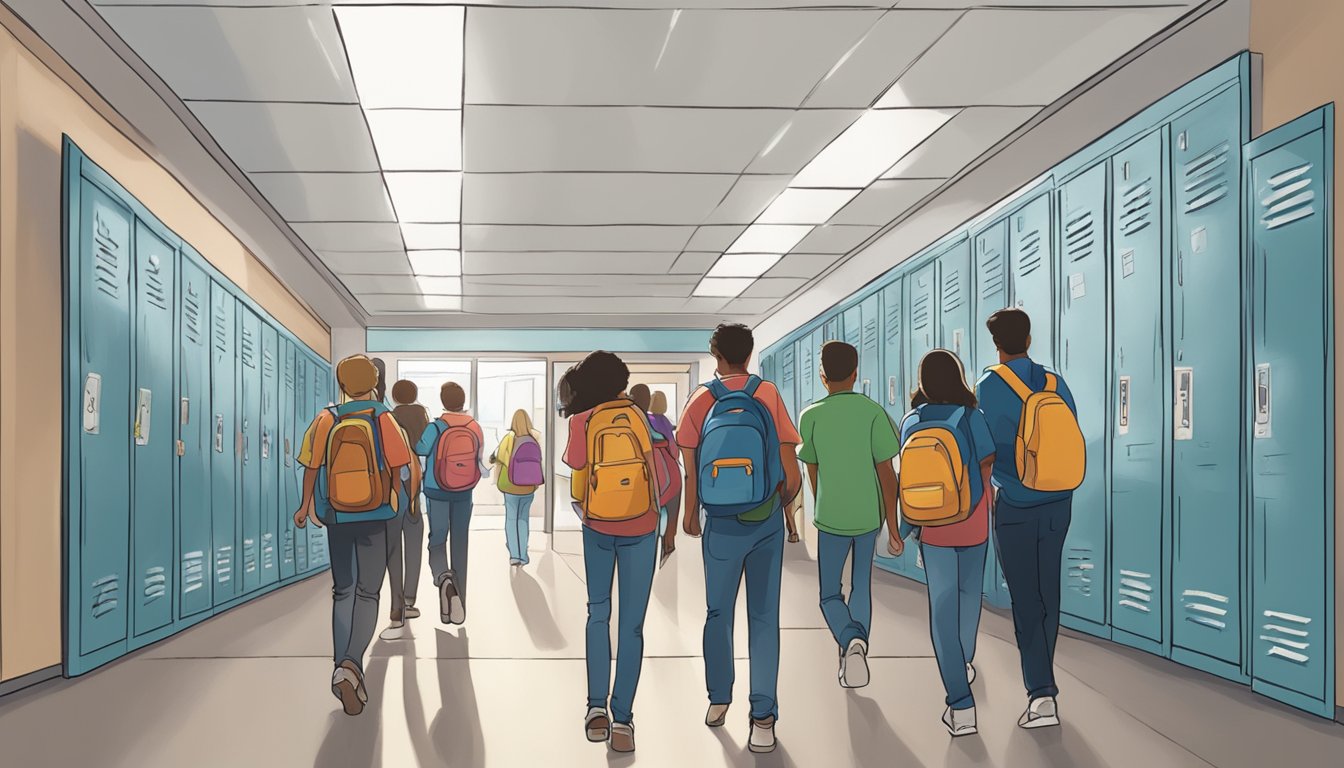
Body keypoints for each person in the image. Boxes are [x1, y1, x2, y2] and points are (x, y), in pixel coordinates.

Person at [678, 323, 802, 755]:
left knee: (718, 613)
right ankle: (763, 717)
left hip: (720, 525)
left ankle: (718, 698)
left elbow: (691, 466)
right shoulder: (766, 395)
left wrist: (691, 511)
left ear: (716, 356)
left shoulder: (700, 399)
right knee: (764, 617)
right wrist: (776, 499)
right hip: (764, 521)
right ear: (749, 355)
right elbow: (792, 474)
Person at [975, 308, 1077, 730]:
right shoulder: (1056, 382)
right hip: (1058, 499)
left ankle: (1041, 694)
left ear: (997, 345)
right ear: (1030, 340)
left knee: (1025, 599)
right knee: (1048, 593)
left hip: (1015, 503)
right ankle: (1044, 681)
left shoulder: (989, 384)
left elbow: (985, 447)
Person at [293, 354, 411, 716]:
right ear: (374, 383)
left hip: (337, 515)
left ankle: (339, 665)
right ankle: (351, 664)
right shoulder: (384, 418)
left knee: (342, 590)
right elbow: (401, 469)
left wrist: (305, 506)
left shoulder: (326, 418)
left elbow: (312, 466)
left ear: (342, 385)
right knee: (368, 591)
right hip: (376, 514)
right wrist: (395, 498)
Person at [563, 352, 661, 754]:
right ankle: (623, 720)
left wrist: (586, 510)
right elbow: (654, 471)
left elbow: (577, 476)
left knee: (597, 613)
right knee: (632, 624)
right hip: (642, 525)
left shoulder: (581, 420)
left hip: (598, 526)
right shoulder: (639, 415)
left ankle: (594, 709)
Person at [899, 349, 996, 737]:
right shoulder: (973, 417)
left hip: (934, 526)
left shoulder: (911, 421)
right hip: (973, 523)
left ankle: (960, 706)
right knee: (969, 598)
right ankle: (964, 661)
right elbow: (987, 463)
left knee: (942, 607)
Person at [797, 341, 900, 690]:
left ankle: (849, 638)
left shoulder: (810, 415)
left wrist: (823, 498)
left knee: (829, 593)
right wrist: (894, 526)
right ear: (856, 374)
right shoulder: (872, 413)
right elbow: (888, 475)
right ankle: (857, 647)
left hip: (831, 517)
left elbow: (812, 470)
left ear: (823, 377)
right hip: (868, 517)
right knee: (861, 587)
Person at [415, 382, 486, 627]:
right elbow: (479, 456)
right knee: (460, 543)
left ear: (443, 401)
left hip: (437, 490)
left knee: (437, 541)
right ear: (462, 401)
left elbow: (420, 449)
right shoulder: (474, 426)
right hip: (464, 491)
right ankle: (461, 604)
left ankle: (444, 579)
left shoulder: (436, 426)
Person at [380, 379, 430, 641]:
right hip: (414, 485)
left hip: (393, 486)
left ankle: (396, 605)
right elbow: (426, 450)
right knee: (414, 541)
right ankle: (410, 600)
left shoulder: (389, 417)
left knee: (393, 547)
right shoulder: (423, 415)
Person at [491, 409, 543, 568]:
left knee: (511, 519)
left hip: (511, 486)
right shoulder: (535, 438)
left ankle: (514, 555)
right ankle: (523, 555)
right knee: (523, 520)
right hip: (528, 487)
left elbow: (498, 456)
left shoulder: (509, 438)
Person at [634, 386, 682, 561]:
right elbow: (674, 450)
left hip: (649, 470)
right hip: (670, 470)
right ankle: (669, 543)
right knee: (672, 507)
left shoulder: (641, 419)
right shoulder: (666, 423)